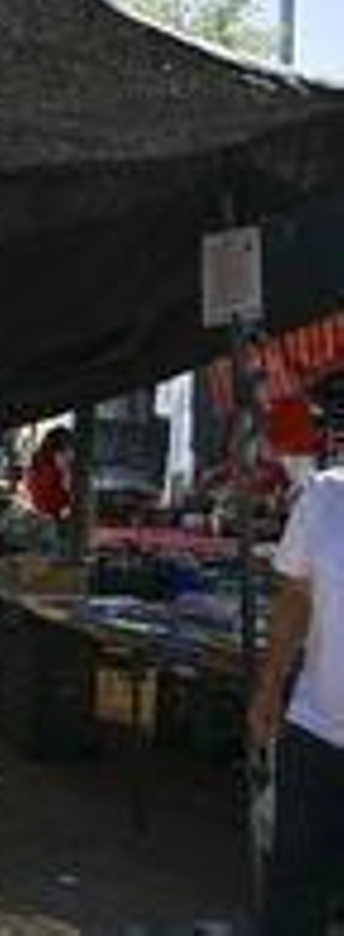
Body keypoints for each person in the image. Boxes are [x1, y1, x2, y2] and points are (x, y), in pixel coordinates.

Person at [248, 370, 344, 933]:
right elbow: (293, 599)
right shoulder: (326, 496)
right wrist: (269, 685)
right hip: (316, 730)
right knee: (294, 893)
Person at [24, 426, 75, 520]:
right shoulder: (52, 468)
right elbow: (65, 499)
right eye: (70, 449)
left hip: (43, 513)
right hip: (52, 516)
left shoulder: (38, 462)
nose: (72, 454)